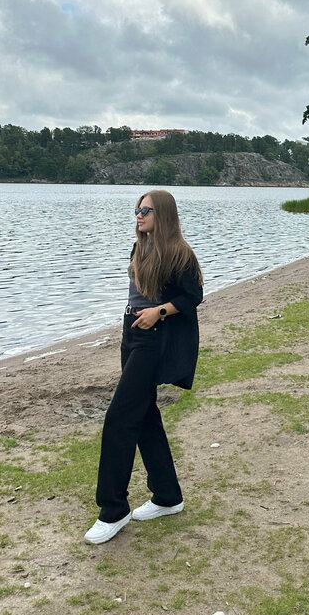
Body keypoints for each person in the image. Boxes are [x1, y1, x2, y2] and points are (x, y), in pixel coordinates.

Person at [84, 190, 203, 544]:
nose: (139, 215)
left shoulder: (179, 253)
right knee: (145, 415)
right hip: (131, 333)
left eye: (146, 210)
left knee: (119, 418)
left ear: (162, 214)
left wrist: (159, 312)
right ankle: (168, 496)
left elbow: (192, 296)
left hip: (154, 339)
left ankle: (113, 509)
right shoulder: (141, 247)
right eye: (137, 209)